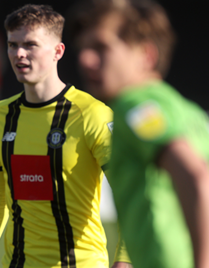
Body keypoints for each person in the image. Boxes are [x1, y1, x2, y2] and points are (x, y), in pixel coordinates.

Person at [0, 4, 129, 268]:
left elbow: (129, 195)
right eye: (12, 44)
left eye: (30, 45)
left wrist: (124, 260)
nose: (19, 54)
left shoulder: (92, 115)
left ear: (58, 51)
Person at [68, 0, 209, 267]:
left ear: (146, 55)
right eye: (84, 48)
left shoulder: (135, 106)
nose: (85, 59)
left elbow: (196, 177)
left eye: (101, 47)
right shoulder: (187, 111)